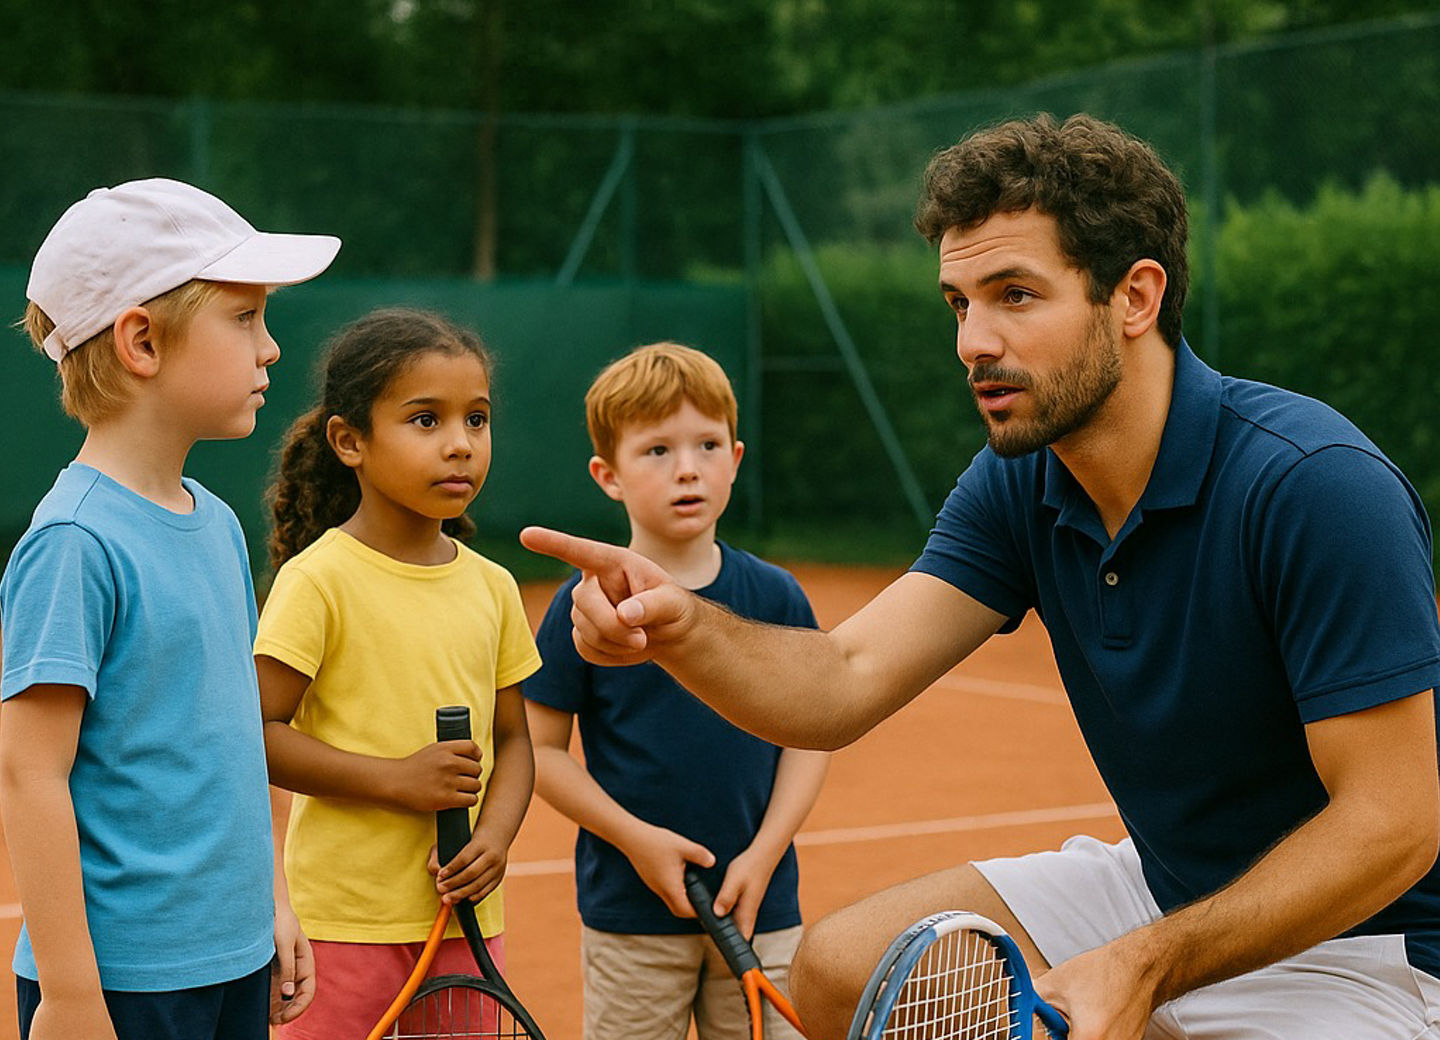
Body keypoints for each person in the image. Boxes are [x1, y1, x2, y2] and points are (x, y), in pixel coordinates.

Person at [520, 113, 1440, 1040]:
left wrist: (1144, 965)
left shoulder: (1314, 487)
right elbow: (841, 680)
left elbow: (1395, 824)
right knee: (841, 970)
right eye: (959, 303)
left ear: (1135, 298)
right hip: (1164, 888)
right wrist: (682, 626)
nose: (973, 342)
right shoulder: (1021, 477)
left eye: (1015, 296)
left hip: (1368, 945)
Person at [0, 178, 339, 1040]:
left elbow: (228, 740)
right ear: (142, 341)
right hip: (121, 988)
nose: (270, 349)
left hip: (232, 961)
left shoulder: (217, 523)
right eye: (244, 318)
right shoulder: (73, 543)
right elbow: (29, 773)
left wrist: (271, 904)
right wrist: (74, 996)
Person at [523, 342, 829, 1040]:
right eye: (656, 450)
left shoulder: (775, 596)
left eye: (707, 444)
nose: (688, 468)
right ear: (609, 475)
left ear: (736, 459)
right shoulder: (585, 606)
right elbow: (541, 751)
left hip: (761, 907)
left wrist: (763, 855)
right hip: (631, 919)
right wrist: (636, 841)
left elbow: (809, 738)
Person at [254, 307, 542, 1039]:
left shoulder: (494, 588)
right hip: (341, 929)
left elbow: (515, 741)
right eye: (425, 421)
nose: (460, 445)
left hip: (466, 925)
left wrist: (498, 837)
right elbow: (255, 732)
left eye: (476, 421)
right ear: (350, 441)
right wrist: (395, 779)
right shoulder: (319, 582)